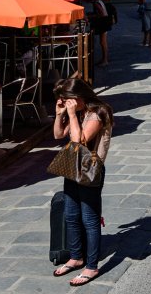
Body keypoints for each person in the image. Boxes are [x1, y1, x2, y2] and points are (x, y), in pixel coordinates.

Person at [50, 77, 113, 287]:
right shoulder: (76, 112)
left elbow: (79, 141)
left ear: (77, 97)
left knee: (90, 219)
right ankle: (76, 256)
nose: (64, 102)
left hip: (90, 170)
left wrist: (70, 114)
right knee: (71, 215)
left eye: (66, 99)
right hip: (72, 167)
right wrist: (60, 115)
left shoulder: (98, 113)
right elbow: (59, 134)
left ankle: (92, 266)